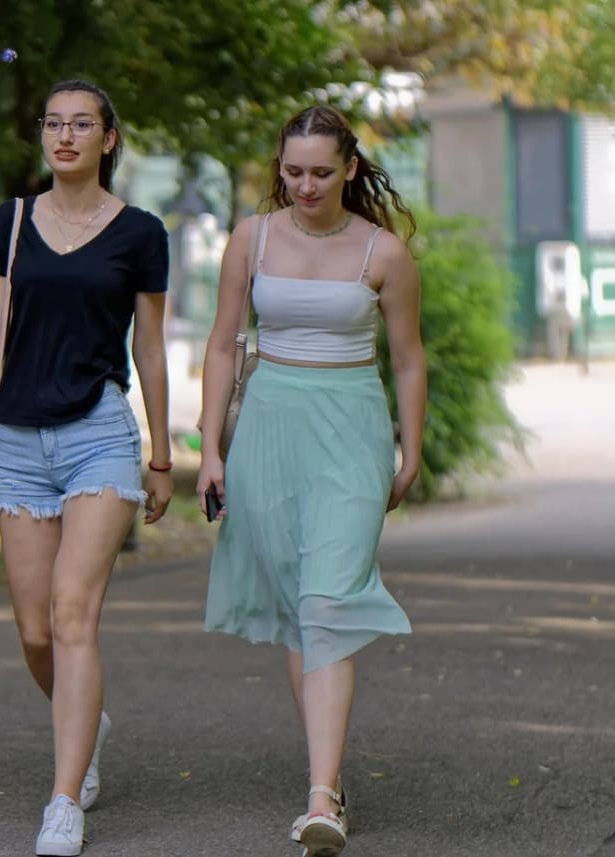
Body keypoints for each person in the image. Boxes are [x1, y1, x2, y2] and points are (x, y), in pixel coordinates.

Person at [197, 104, 425, 857]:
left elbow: (407, 359)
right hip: (268, 429)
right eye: (292, 171)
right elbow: (223, 344)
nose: (305, 185)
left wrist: (411, 451)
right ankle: (326, 777)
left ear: (349, 169)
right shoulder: (251, 238)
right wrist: (211, 449)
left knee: (327, 601)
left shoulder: (384, 252)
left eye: (321, 172)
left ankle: (321, 799)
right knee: (302, 610)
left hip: (352, 431)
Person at [0, 79, 174, 856]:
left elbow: (150, 348)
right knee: (35, 628)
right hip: (14, 442)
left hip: (98, 435)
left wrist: (161, 454)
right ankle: (88, 721)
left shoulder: (141, 232)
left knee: (74, 611)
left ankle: (64, 797)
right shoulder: (10, 223)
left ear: (108, 139)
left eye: (82, 124)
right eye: (54, 123)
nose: (65, 136)